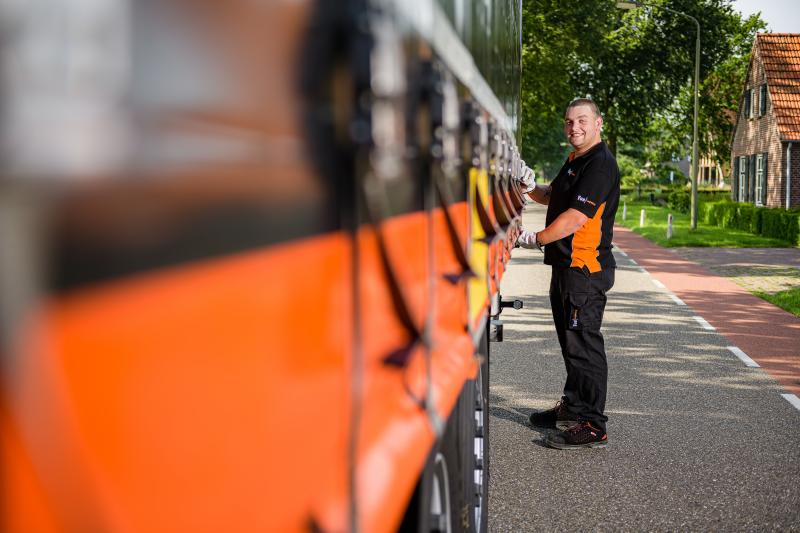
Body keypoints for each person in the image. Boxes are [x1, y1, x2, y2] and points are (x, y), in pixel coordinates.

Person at [517, 97, 620, 450]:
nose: (574, 127)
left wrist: (536, 238)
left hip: (584, 270)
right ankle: (573, 407)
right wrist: (528, 186)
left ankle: (593, 424)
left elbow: (576, 217)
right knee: (570, 342)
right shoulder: (577, 160)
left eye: (582, 120)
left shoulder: (600, 164)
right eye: (569, 121)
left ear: (598, 123)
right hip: (565, 268)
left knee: (583, 346)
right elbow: (553, 196)